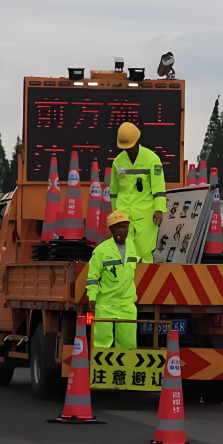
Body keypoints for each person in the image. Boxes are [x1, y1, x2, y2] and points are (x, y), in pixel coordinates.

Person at [110, 122, 166, 262]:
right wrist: (114, 213)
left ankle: (145, 276)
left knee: (144, 252)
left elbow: (159, 187)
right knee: (125, 253)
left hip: (146, 215)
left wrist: (159, 209)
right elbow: (114, 191)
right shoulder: (117, 162)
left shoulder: (152, 160)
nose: (127, 150)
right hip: (123, 214)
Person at [84, 211, 139, 349]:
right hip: (105, 304)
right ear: (111, 230)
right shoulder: (101, 250)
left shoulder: (133, 247)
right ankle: (100, 363)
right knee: (101, 345)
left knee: (128, 346)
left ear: (128, 228)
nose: (121, 230)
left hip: (126, 305)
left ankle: (125, 363)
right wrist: (92, 297)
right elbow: (93, 277)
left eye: (124, 227)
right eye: (117, 227)